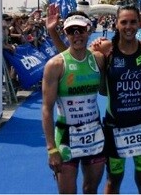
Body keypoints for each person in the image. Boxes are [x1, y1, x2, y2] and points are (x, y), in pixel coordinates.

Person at [95, 5, 141, 194]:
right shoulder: (106, 49)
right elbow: (73, 55)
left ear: (140, 23)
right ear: (116, 24)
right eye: (124, 22)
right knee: (113, 181)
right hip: (115, 127)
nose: (129, 26)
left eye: (133, 22)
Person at [41, 11, 106, 194]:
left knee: (91, 189)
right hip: (66, 136)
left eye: (80, 30)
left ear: (89, 30)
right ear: (66, 33)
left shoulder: (98, 59)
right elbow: (47, 109)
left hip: (94, 134)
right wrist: (51, 149)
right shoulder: (55, 65)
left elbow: (105, 90)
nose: (76, 35)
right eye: (71, 31)